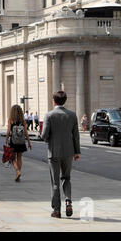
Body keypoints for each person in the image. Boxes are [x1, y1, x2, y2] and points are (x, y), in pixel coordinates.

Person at [41, 91, 81, 219]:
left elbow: (44, 135)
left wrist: (44, 136)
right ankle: (68, 200)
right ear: (65, 100)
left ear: (54, 101)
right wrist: (77, 152)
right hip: (69, 152)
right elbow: (76, 136)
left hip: (54, 152)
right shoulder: (72, 115)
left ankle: (57, 210)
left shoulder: (49, 115)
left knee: (55, 182)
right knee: (67, 177)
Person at [4, 105, 32, 182]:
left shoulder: (11, 120)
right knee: (19, 158)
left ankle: (17, 171)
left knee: (12, 158)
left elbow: (8, 131)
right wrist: (29, 142)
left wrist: (6, 140)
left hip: (13, 142)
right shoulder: (23, 121)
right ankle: (18, 174)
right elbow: (26, 133)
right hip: (21, 142)